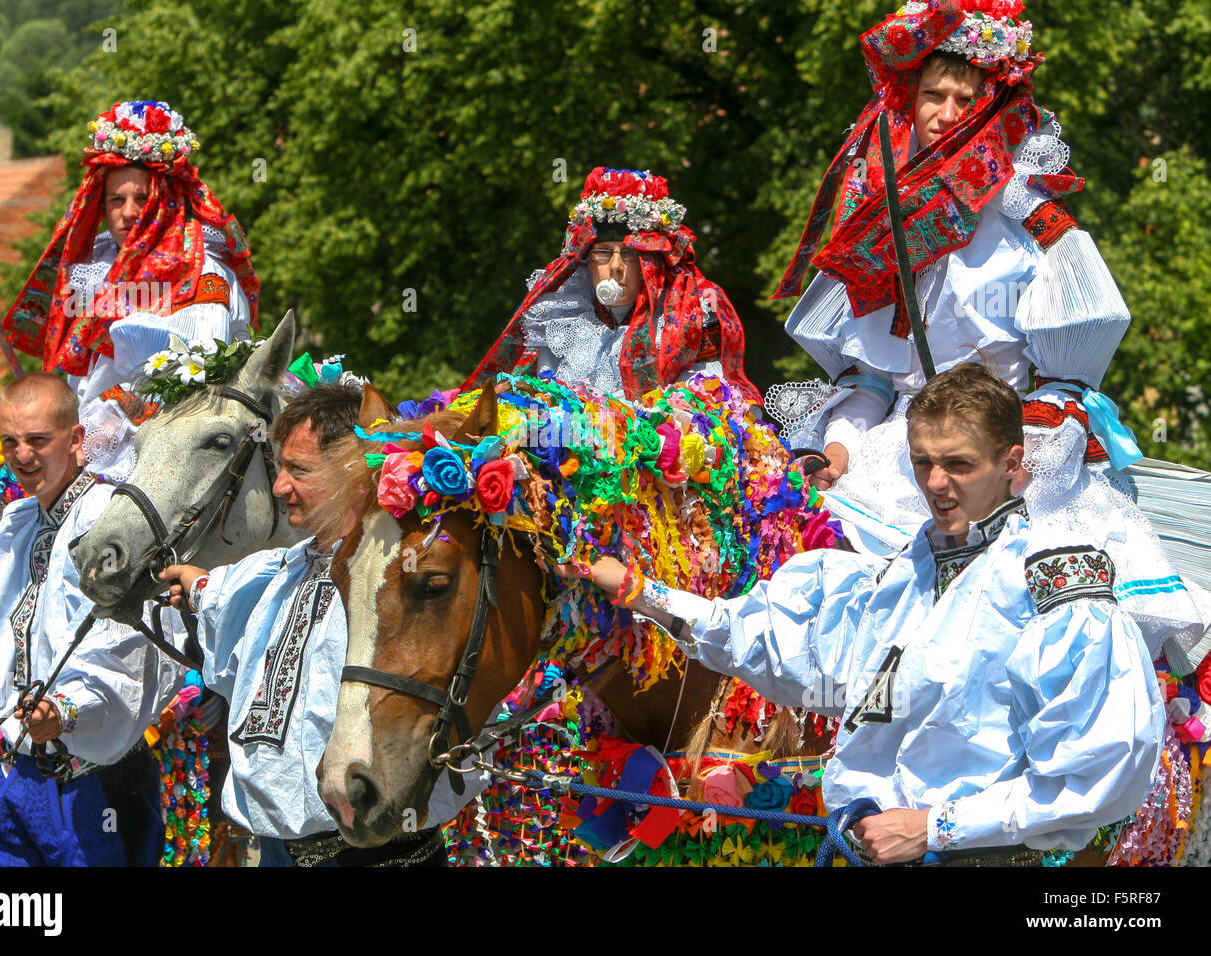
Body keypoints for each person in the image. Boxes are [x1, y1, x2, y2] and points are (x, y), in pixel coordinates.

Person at [767, 0, 1211, 675]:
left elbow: (1067, 374)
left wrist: (1019, 447)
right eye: (932, 96)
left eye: (963, 98)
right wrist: (834, 447)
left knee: (1066, 611)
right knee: (797, 550)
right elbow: (868, 382)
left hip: (1016, 444)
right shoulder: (877, 227)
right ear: (906, 104)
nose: (945, 113)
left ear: (990, 108)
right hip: (902, 448)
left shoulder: (1031, 221)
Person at [566, 364, 1164, 864]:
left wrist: (936, 827)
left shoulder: (1055, 590)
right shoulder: (901, 571)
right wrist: (645, 593)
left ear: (1012, 464)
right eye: (922, 461)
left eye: (958, 464)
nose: (936, 483)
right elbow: (778, 647)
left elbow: (1099, 774)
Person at [160, 383, 465, 866]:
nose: (280, 486)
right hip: (282, 852)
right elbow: (224, 594)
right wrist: (195, 590)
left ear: (351, 473)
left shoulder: (389, 581)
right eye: (281, 467)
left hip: (376, 854)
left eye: (298, 470)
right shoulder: (288, 568)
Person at [0, 374, 184, 865]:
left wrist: (67, 709)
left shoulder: (106, 520)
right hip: (17, 776)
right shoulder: (19, 523)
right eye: (11, 441)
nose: (22, 456)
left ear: (77, 439)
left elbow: (127, 639)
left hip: (92, 781)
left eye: (38, 440)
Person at [2, 100, 260, 482]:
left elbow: (195, 372)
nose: (128, 212)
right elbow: (82, 377)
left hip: (163, 466)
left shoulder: (203, 271)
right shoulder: (94, 269)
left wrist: (103, 432)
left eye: (142, 198)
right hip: (81, 461)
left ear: (167, 200)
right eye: (115, 200)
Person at [466, 166, 761, 405]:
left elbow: (706, 406)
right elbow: (537, 396)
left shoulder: (690, 319)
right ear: (587, 261)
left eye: (631, 255)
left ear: (653, 262)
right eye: (603, 253)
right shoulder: (559, 319)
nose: (616, 266)